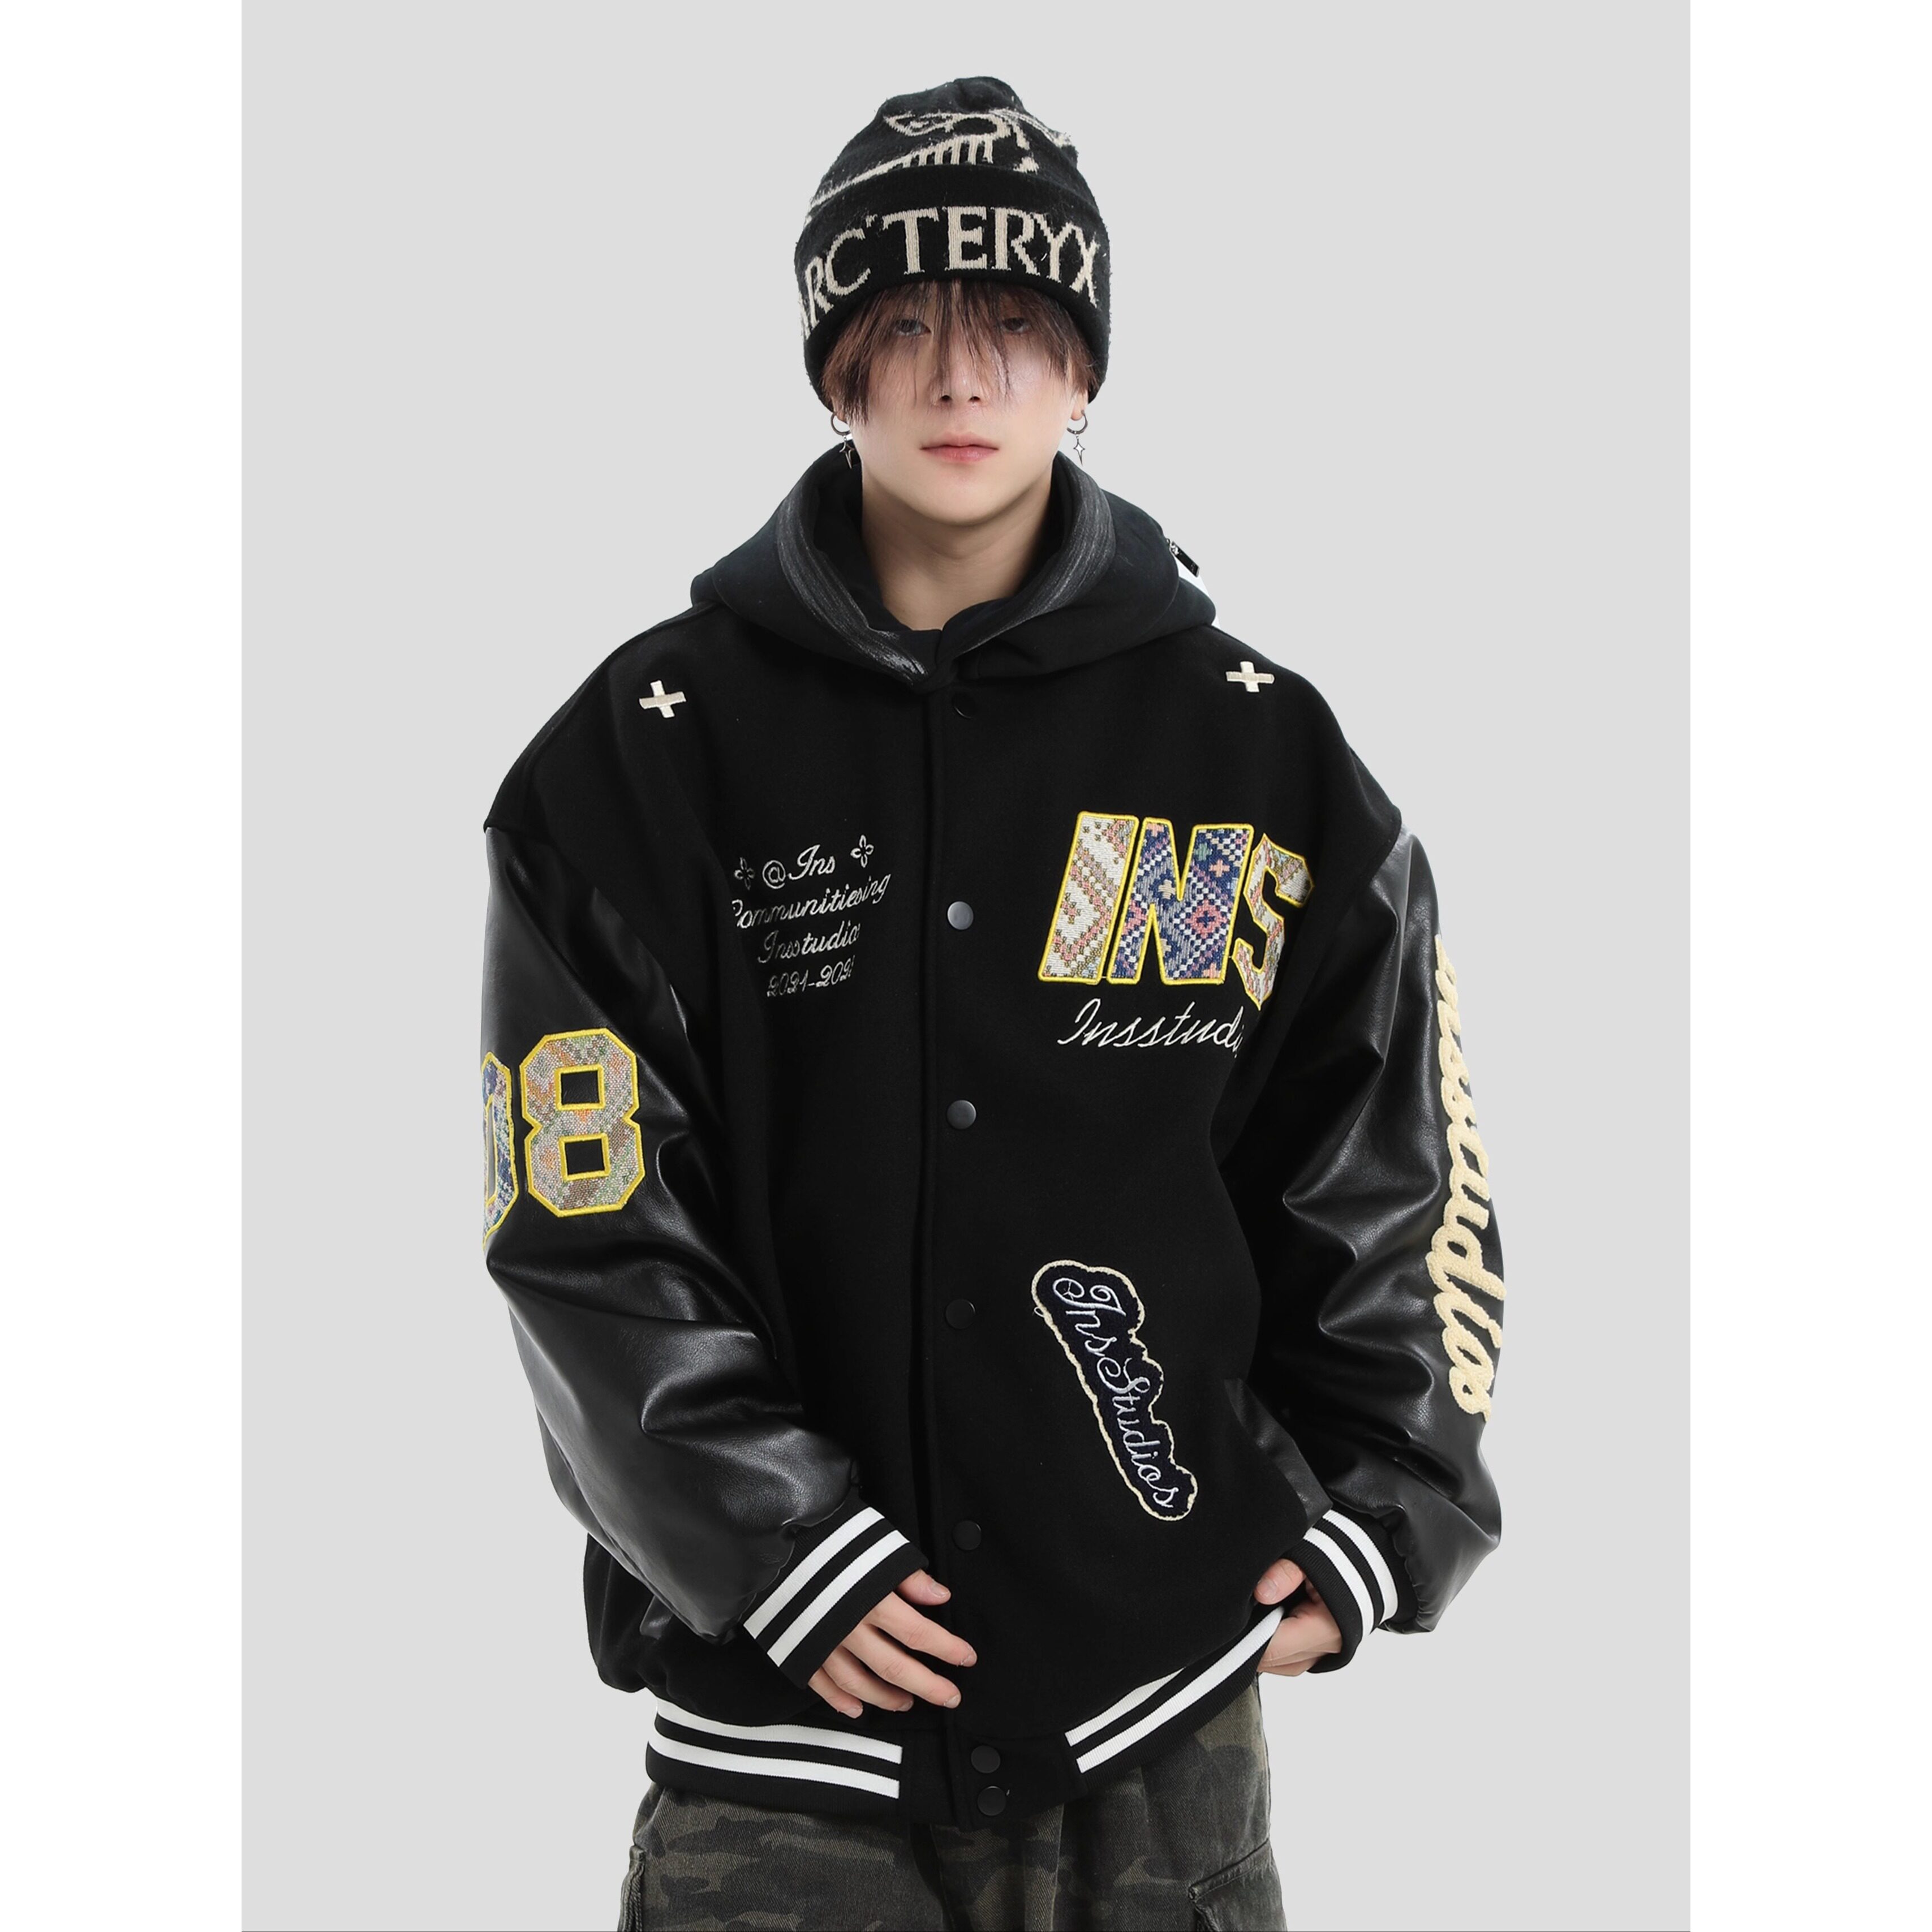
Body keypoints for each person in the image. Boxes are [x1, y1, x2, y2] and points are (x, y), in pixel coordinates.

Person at [478, 75, 1507, 1932]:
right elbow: (583, 1215)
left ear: (1086, 363)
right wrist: (775, 1543)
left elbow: (1386, 1163)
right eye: (907, 329)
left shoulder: (1256, 755)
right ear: (835, 367)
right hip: (780, 1744)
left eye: (1018, 324)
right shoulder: (643, 760)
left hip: (1160, 1729)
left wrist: (1391, 1504)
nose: (963, 379)